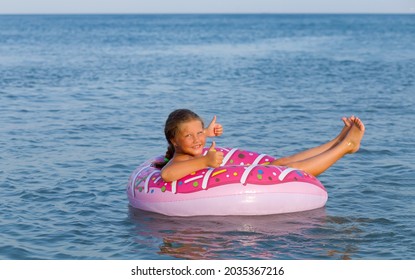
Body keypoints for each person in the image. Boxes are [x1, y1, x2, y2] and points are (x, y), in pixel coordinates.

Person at [156, 109, 365, 182]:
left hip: (235, 174)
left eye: (199, 133)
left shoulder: (190, 146)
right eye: (189, 136)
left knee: (280, 162)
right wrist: (204, 160)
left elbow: (193, 139)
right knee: (287, 170)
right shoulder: (178, 160)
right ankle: (346, 145)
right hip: (235, 182)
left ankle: (336, 141)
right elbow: (167, 175)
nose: (197, 140)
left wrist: (206, 133)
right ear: (174, 140)